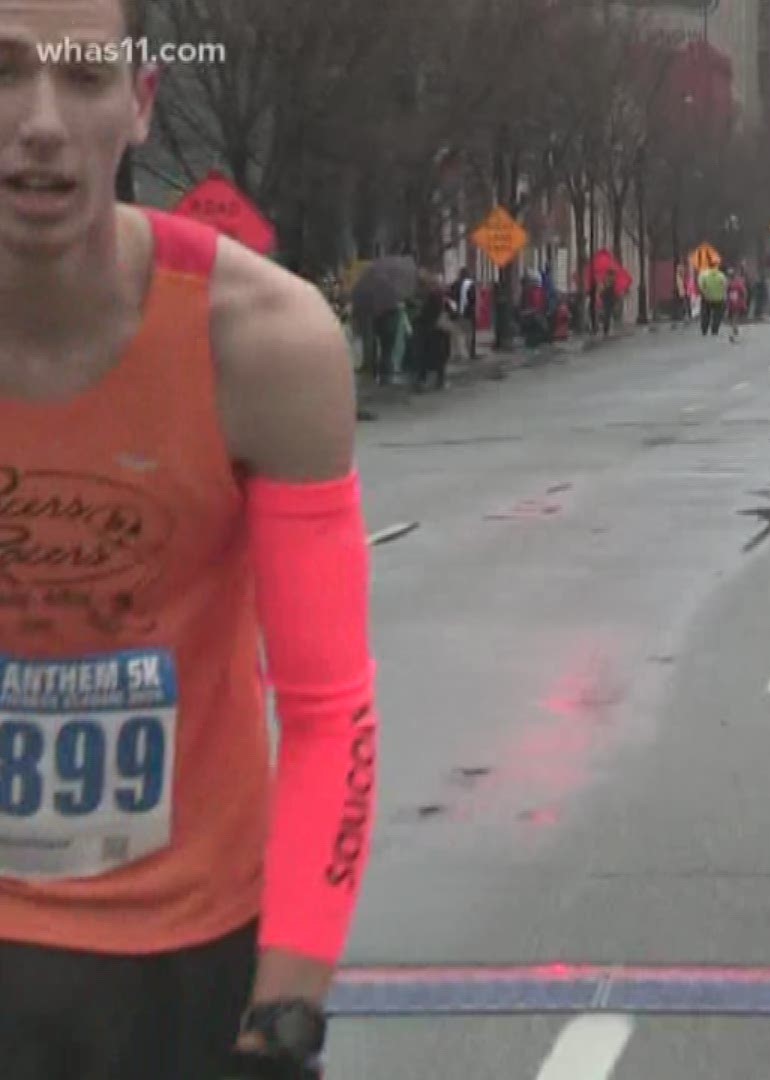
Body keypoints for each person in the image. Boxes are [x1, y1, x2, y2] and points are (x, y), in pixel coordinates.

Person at [0, 1, 381, 1077]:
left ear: (140, 104)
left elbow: (327, 710)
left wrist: (285, 1018)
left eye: (81, 80)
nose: (38, 123)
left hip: (182, 960)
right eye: (3, 72)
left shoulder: (265, 343)